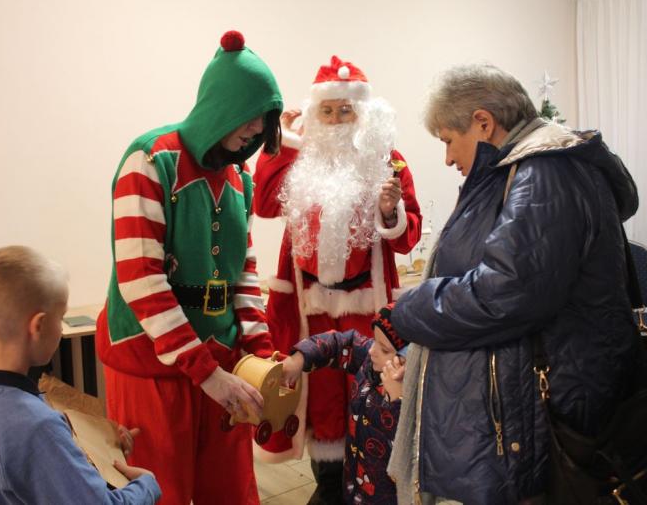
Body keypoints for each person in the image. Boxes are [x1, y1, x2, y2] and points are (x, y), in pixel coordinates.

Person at [387, 64, 640, 504]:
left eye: (448, 139)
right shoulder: (529, 170)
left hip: (549, 413)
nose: (447, 158)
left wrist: (411, 309)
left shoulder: (546, 172)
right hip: (543, 404)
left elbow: (506, 294)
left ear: (483, 123)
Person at [95, 31, 282, 505]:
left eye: (264, 122)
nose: (257, 130)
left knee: (231, 490)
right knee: (159, 493)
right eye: (251, 116)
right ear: (222, 104)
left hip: (218, 363)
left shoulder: (239, 177)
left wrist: (261, 355)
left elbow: (243, 276)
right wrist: (206, 373)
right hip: (150, 368)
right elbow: (141, 280)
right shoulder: (150, 159)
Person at [253, 55, 421, 503]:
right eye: (326, 111)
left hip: (369, 309)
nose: (335, 119)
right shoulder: (298, 156)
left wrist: (390, 212)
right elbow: (265, 204)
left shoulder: (389, 161)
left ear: (363, 113)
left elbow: (409, 237)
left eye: (345, 110)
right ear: (314, 114)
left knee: (370, 398)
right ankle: (330, 488)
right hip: (309, 310)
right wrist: (284, 141)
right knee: (321, 406)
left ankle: (368, 484)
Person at [0, 246, 161, 505]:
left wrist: (101, 443)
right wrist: (147, 485)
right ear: (38, 325)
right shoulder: (36, 427)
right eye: (60, 317)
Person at [282, 304, 407, 505]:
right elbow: (341, 342)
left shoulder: (419, 398)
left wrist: (397, 401)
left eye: (384, 349)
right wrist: (301, 357)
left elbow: (411, 452)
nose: (373, 351)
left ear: (409, 359)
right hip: (353, 487)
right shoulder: (369, 360)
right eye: (375, 341)